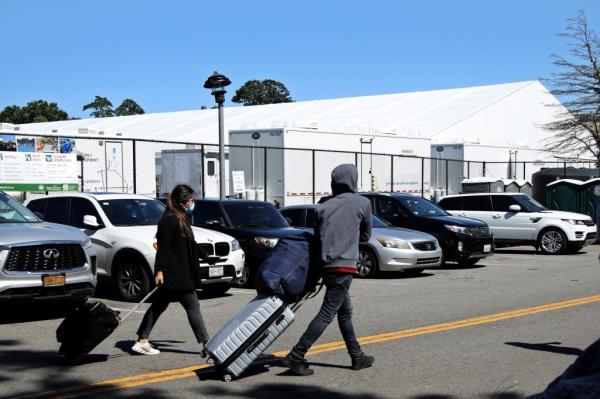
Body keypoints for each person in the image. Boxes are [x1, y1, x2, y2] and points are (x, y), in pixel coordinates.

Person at [282, 164, 374, 376]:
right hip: (345, 266)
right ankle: (296, 356)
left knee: (345, 312)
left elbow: (318, 236)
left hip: (327, 266)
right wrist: (350, 240)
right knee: (326, 314)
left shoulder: (323, 206)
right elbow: (366, 236)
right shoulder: (363, 202)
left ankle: (357, 356)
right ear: (353, 180)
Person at [132, 184, 210, 356]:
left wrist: (204, 254)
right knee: (193, 305)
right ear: (182, 201)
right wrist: (159, 270)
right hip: (175, 273)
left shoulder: (180, 217)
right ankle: (207, 344)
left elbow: (188, 243)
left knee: (158, 305)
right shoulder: (169, 220)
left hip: (178, 271)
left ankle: (142, 340)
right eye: (191, 200)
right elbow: (164, 248)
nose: (192, 202)